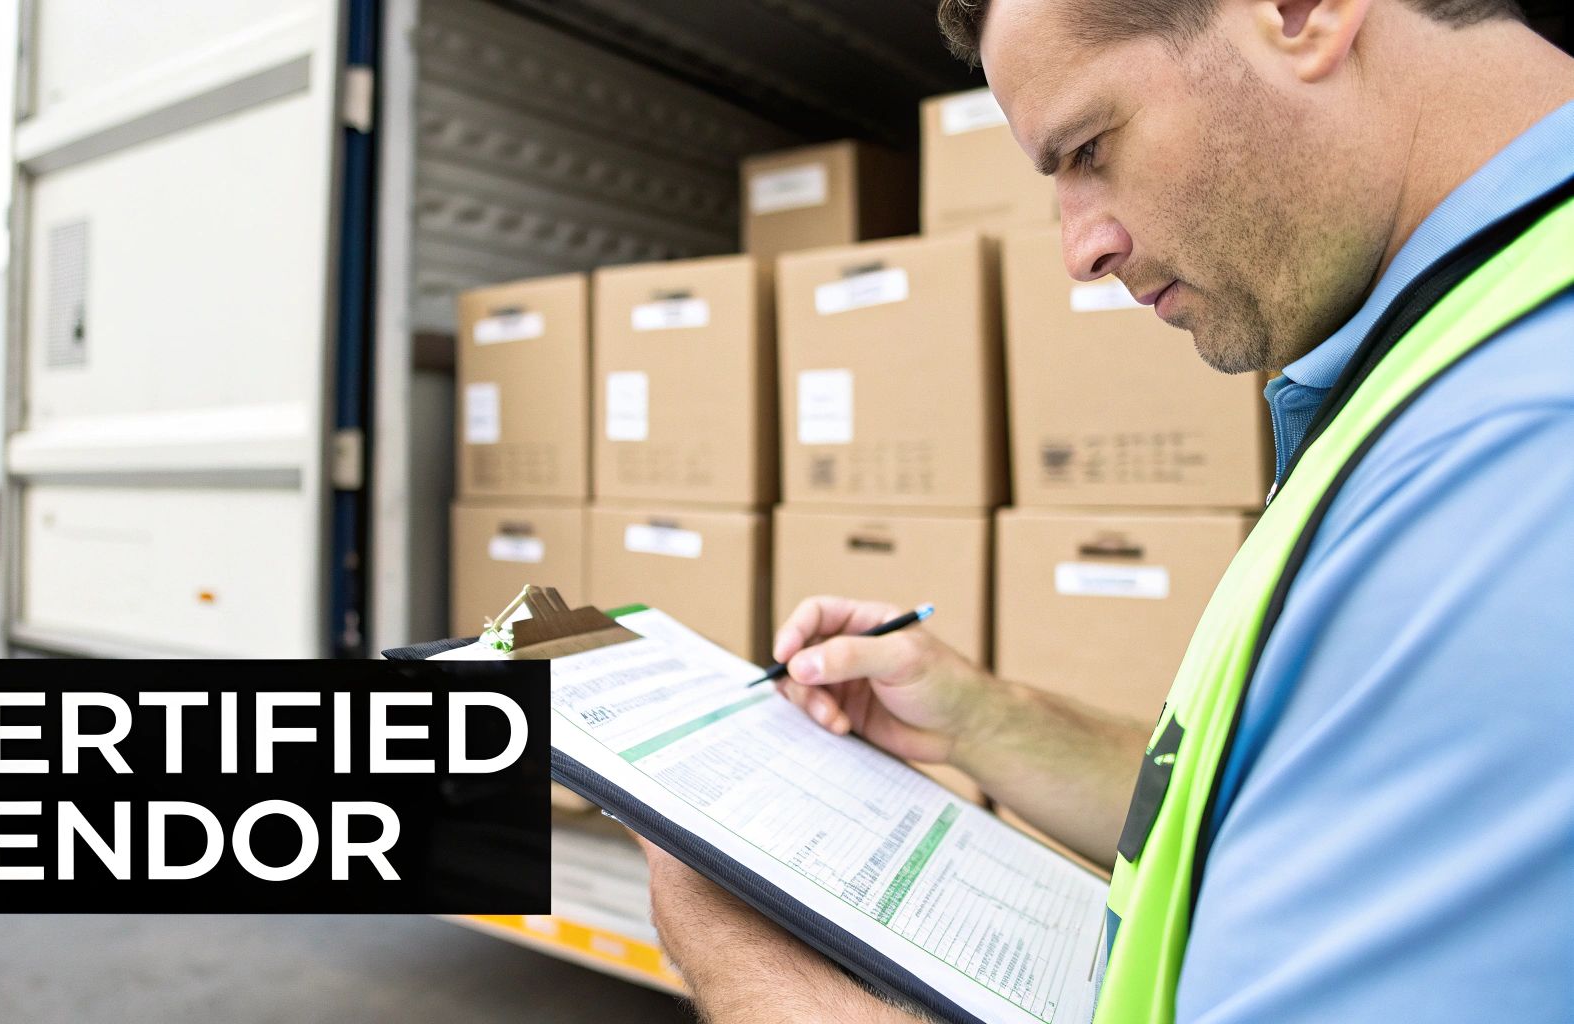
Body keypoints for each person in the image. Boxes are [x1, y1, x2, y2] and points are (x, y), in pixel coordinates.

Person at [639, 0, 1574, 1019]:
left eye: (1088, 148)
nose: (1079, 251)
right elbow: (1287, 804)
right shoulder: (1450, 351)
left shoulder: (1519, 454)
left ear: (1299, 13)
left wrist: (728, 935)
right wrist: (980, 717)